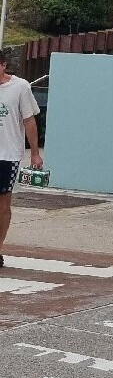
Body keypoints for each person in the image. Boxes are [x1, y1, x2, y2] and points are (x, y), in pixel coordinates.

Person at [0, 50, 43, 268]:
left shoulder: (20, 87)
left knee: (3, 202)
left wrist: (34, 153)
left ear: (3, 65)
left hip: (7, 155)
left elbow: (29, 121)